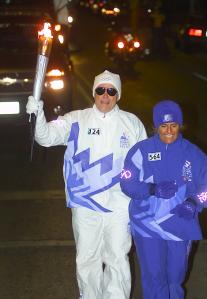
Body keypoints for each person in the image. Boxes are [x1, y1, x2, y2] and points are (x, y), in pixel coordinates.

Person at [26, 70, 147, 299]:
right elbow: (46, 137)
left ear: (118, 95)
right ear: (94, 92)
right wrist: (37, 113)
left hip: (120, 205)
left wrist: (145, 198)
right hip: (85, 204)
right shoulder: (76, 119)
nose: (105, 95)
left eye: (111, 91)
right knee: (87, 258)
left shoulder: (132, 124)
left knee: (117, 257)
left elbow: (145, 166)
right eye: (101, 90)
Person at [120, 99, 207, 299]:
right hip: (147, 224)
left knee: (175, 277)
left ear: (180, 126)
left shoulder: (193, 153)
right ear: (156, 126)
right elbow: (126, 181)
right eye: (163, 125)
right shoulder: (140, 150)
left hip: (180, 224)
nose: (169, 130)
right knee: (153, 276)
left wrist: (195, 202)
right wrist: (151, 188)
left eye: (174, 125)